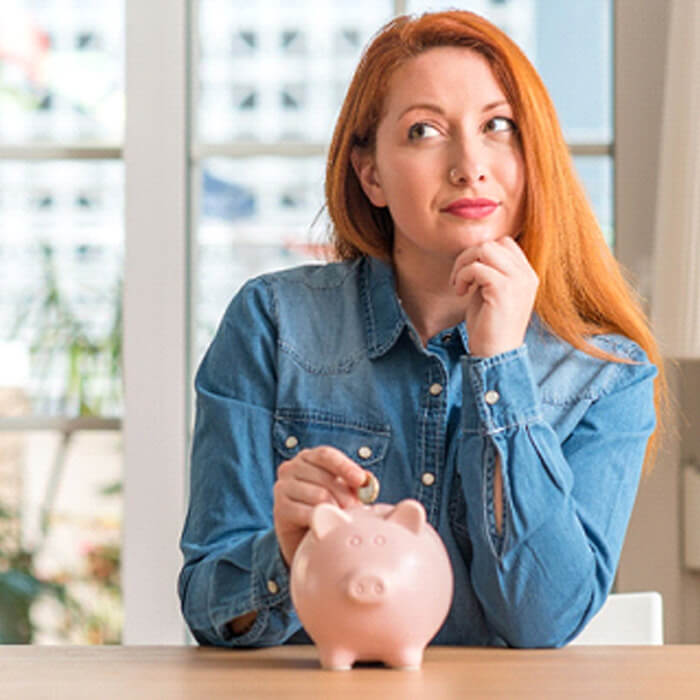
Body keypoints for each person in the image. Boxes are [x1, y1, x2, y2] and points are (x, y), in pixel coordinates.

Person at [178, 10, 667, 649]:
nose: (470, 166)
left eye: (498, 126)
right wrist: (286, 556)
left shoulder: (605, 372)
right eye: (425, 131)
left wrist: (500, 367)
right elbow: (209, 606)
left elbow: (543, 623)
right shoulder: (273, 323)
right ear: (371, 174)